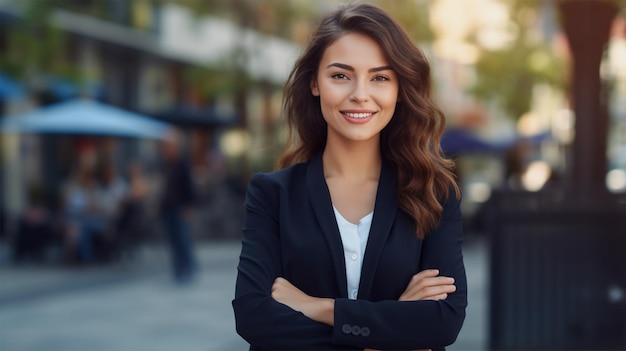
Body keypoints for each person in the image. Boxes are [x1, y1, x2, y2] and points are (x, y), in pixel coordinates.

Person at [232, 3, 467, 351]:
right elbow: (254, 318)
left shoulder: (431, 193)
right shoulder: (273, 194)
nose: (360, 93)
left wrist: (319, 307)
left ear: (399, 89)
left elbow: (443, 323)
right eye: (340, 75)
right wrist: (393, 330)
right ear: (315, 83)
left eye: (380, 78)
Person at [159, 128, 198, 283]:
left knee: (182, 240)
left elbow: (189, 187)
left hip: (180, 208)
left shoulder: (182, 164)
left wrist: (189, 206)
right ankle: (178, 270)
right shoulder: (165, 165)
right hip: (167, 208)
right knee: (173, 241)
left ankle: (188, 268)